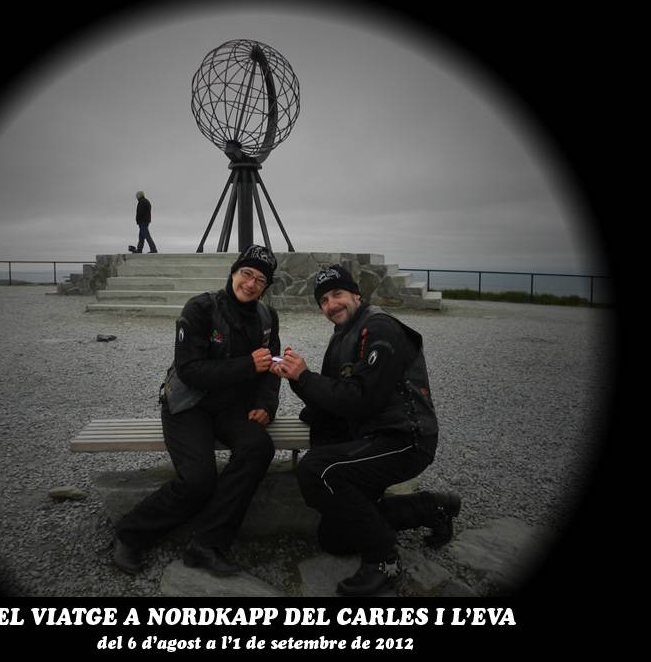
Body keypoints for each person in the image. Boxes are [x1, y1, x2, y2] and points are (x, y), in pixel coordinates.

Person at [271, 265, 460, 596]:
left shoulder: (379, 327)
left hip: (405, 438)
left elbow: (361, 399)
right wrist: (296, 379)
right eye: (324, 300)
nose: (331, 304)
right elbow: (335, 398)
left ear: (356, 295)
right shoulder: (342, 335)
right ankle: (433, 507)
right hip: (371, 436)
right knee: (334, 539)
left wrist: (305, 377)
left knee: (317, 470)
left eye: (338, 294)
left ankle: (384, 560)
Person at [113, 244, 281, 576]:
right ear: (233, 273)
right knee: (198, 481)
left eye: (260, 280)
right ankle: (130, 534)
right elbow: (189, 369)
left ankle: (206, 543)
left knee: (259, 447)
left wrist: (266, 405)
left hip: (231, 407)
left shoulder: (266, 318)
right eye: (246, 273)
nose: (250, 284)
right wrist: (247, 365)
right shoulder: (200, 308)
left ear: (265, 287)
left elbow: (270, 367)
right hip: (188, 403)